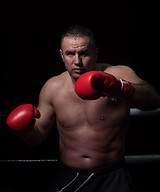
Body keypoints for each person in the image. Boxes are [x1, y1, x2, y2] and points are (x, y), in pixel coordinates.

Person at [7, 25, 160, 191]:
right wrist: (23, 129)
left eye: (84, 53)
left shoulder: (117, 74)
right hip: (70, 175)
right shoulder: (53, 87)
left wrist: (120, 87)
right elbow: (35, 138)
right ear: (62, 55)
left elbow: (154, 101)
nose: (77, 61)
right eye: (70, 54)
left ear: (95, 53)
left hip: (112, 176)